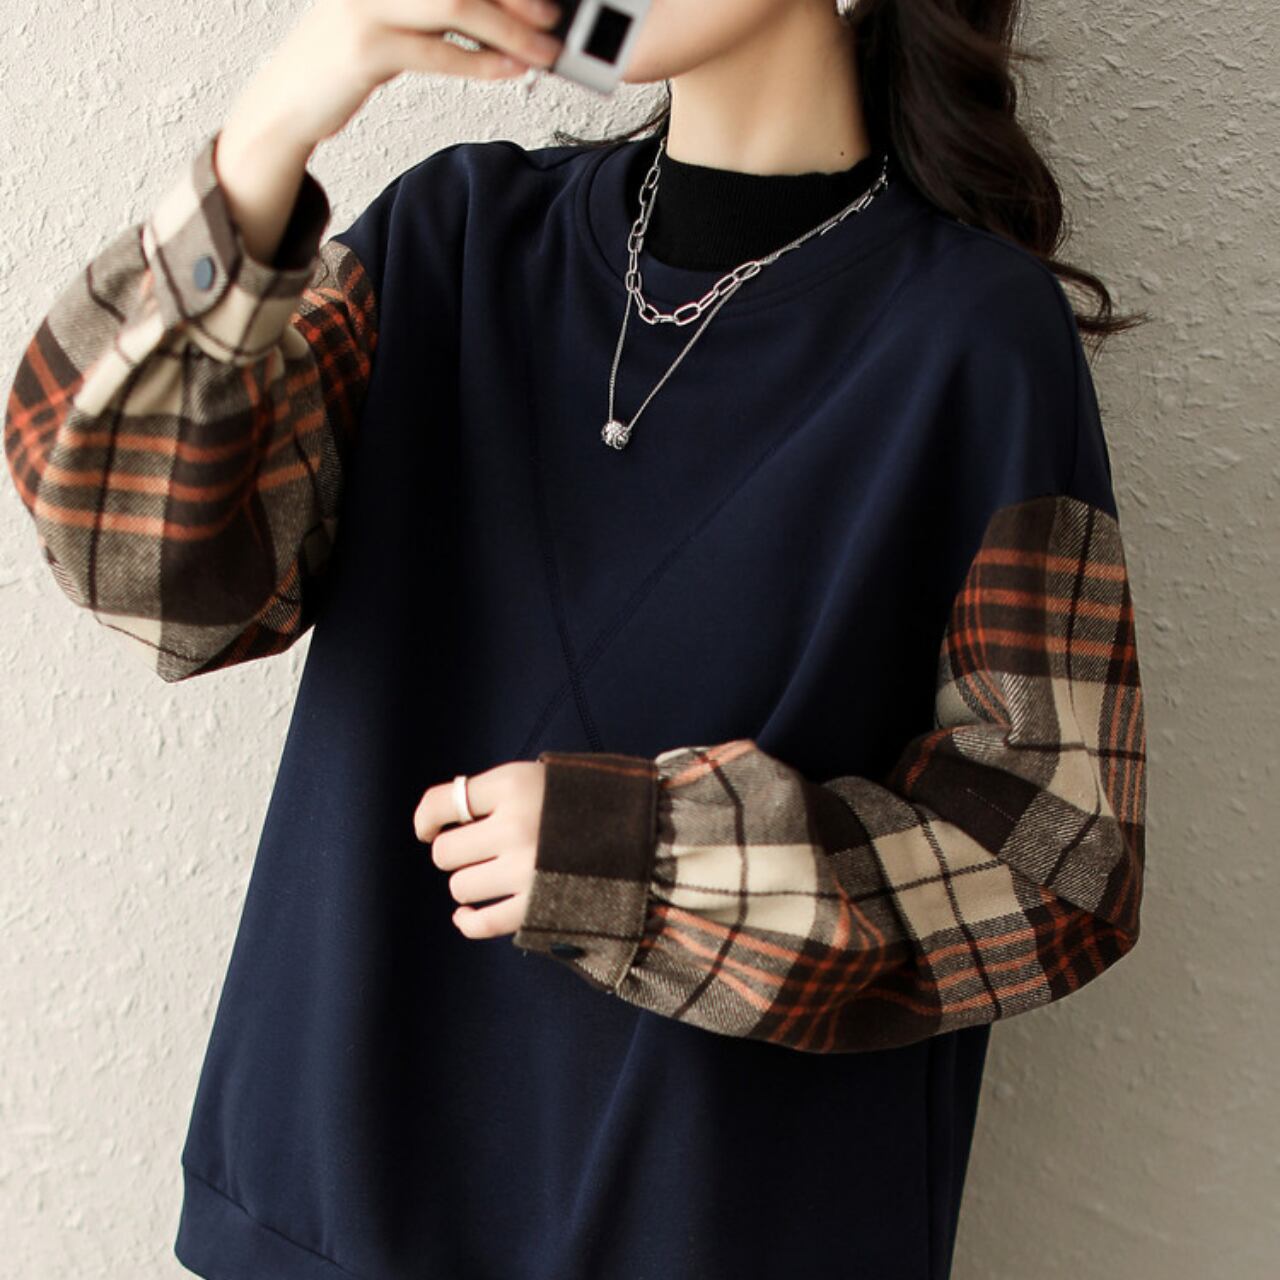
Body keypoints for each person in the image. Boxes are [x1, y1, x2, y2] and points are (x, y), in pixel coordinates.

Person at [3, 0, 1149, 1276]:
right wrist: (281, 118)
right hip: (334, 1202)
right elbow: (141, 558)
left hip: (715, 1223)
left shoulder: (974, 339)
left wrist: (640, 859)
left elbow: (1059, 861)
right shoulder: (454, 238)